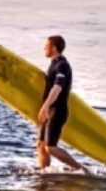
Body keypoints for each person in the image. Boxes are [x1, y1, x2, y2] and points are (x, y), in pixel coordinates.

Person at [36, 35, 90, 174]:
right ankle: (44, 173)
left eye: (46, 45)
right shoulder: (54, 63)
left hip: (58, 111)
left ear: (54, 48)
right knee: (41, 145)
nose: (44, 48)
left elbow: (57, 88)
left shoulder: (62, 65)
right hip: (49, 110)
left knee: (50, 147)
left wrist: (46, 105)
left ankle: (81, 169)